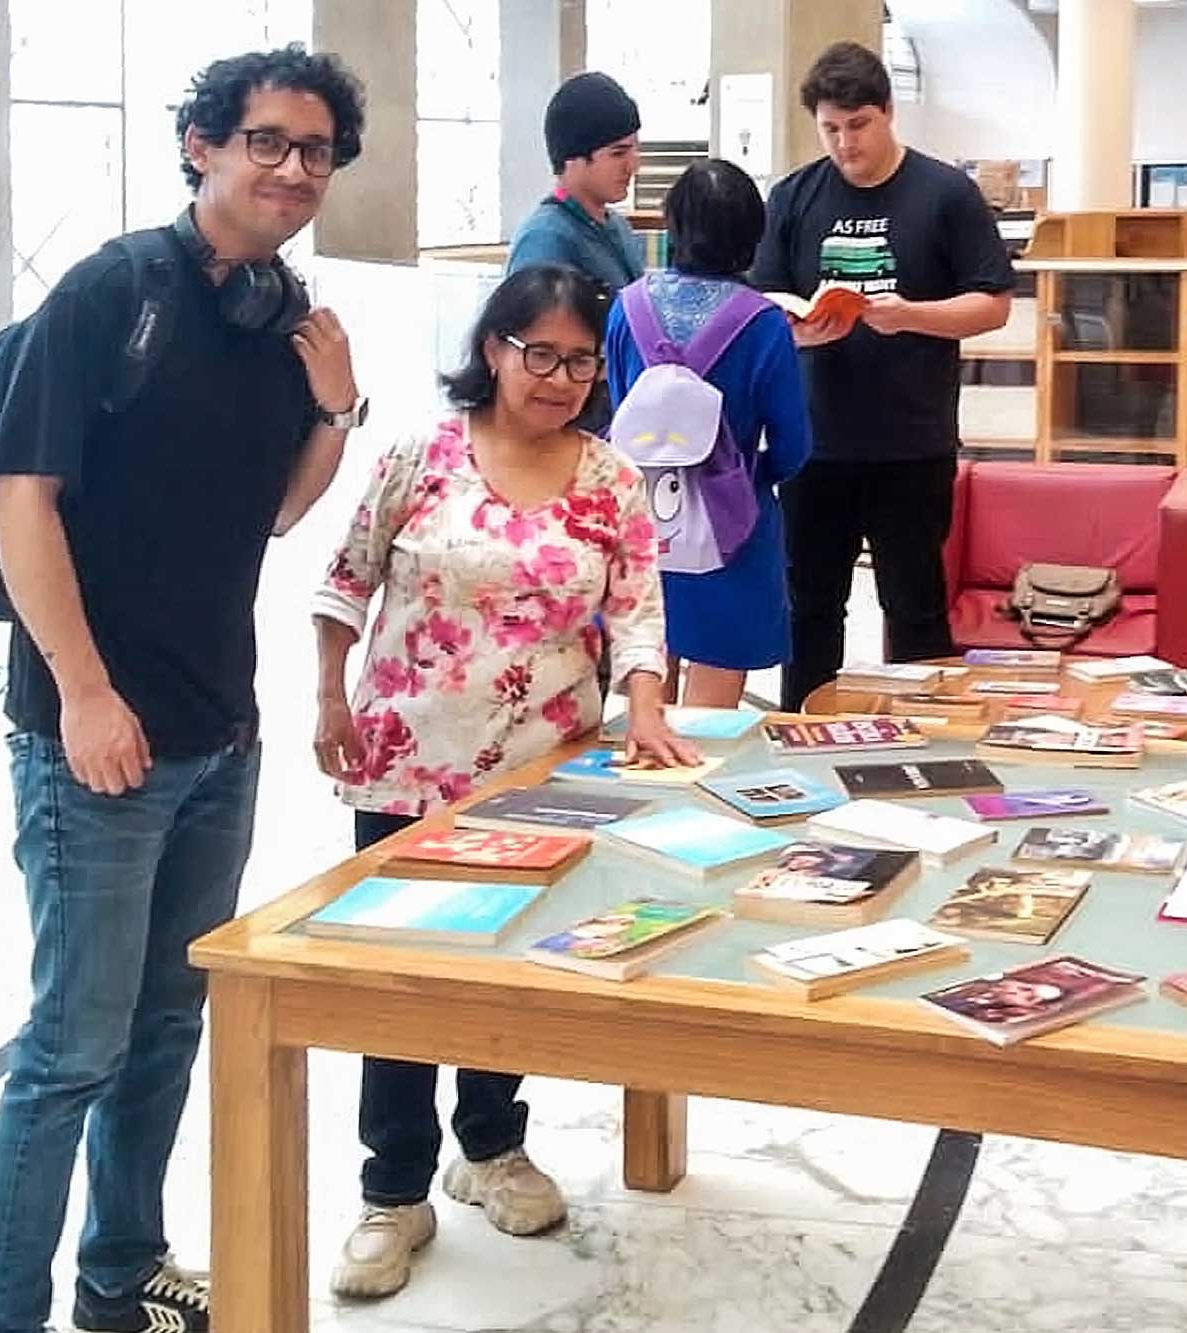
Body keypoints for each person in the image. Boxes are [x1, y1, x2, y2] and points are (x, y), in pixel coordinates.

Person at [0, 46, 367, 1333]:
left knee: (162, 1033)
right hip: (96, 739)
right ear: (202, 145)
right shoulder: (110, 292)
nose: (293, 169)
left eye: (315, 151)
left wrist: (335, 410)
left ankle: (119, 1275)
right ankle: (3, 1313)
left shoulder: (280, 316)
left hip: (216, 735)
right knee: (69, 1051)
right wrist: (84, 695)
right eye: (268, 141)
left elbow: (274, 516)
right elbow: (18, 501)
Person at [312, 264, 695, 1299]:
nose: (561, 379)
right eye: (541, 355)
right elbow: (345, 584)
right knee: (400, 980)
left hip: (542, 769)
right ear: (493, 349)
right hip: (405, 762)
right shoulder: (422, 454)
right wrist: (329, 697)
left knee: (508, 969)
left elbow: (638, 611)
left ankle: (489, 1145)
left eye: (581, 361)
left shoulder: (610, 477)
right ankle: (392, 1190)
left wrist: (646, 707)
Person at [751, 41, 1016, 712]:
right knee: (810, 609)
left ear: (889, 111)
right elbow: (763, 303)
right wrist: (797, 329)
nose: (846, 144)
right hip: (814, 445)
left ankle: (927, 736)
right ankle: (803, 731)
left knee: (915, 609)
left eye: (859, 125)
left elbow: (993, 303)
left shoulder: (945, 193)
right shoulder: (793, 197)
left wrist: (912, 316)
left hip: (912, 444)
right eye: (831, 129)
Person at [606, 159, 813, 707]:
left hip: (642, 518)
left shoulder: (627, 308)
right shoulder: (764, 323)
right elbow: (793, 446)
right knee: (712, 719)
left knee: (645, 692)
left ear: (674, 225)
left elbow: (617, 406)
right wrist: (745, 475)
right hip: (731, 528)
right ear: (751, 234)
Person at [507, 71, 645, 429]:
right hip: (570, 428)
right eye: (618, 153)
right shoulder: (545, 238)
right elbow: (531, 360)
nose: (633, 165)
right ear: (573, 159)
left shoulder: (618, 229)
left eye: (635, 149)